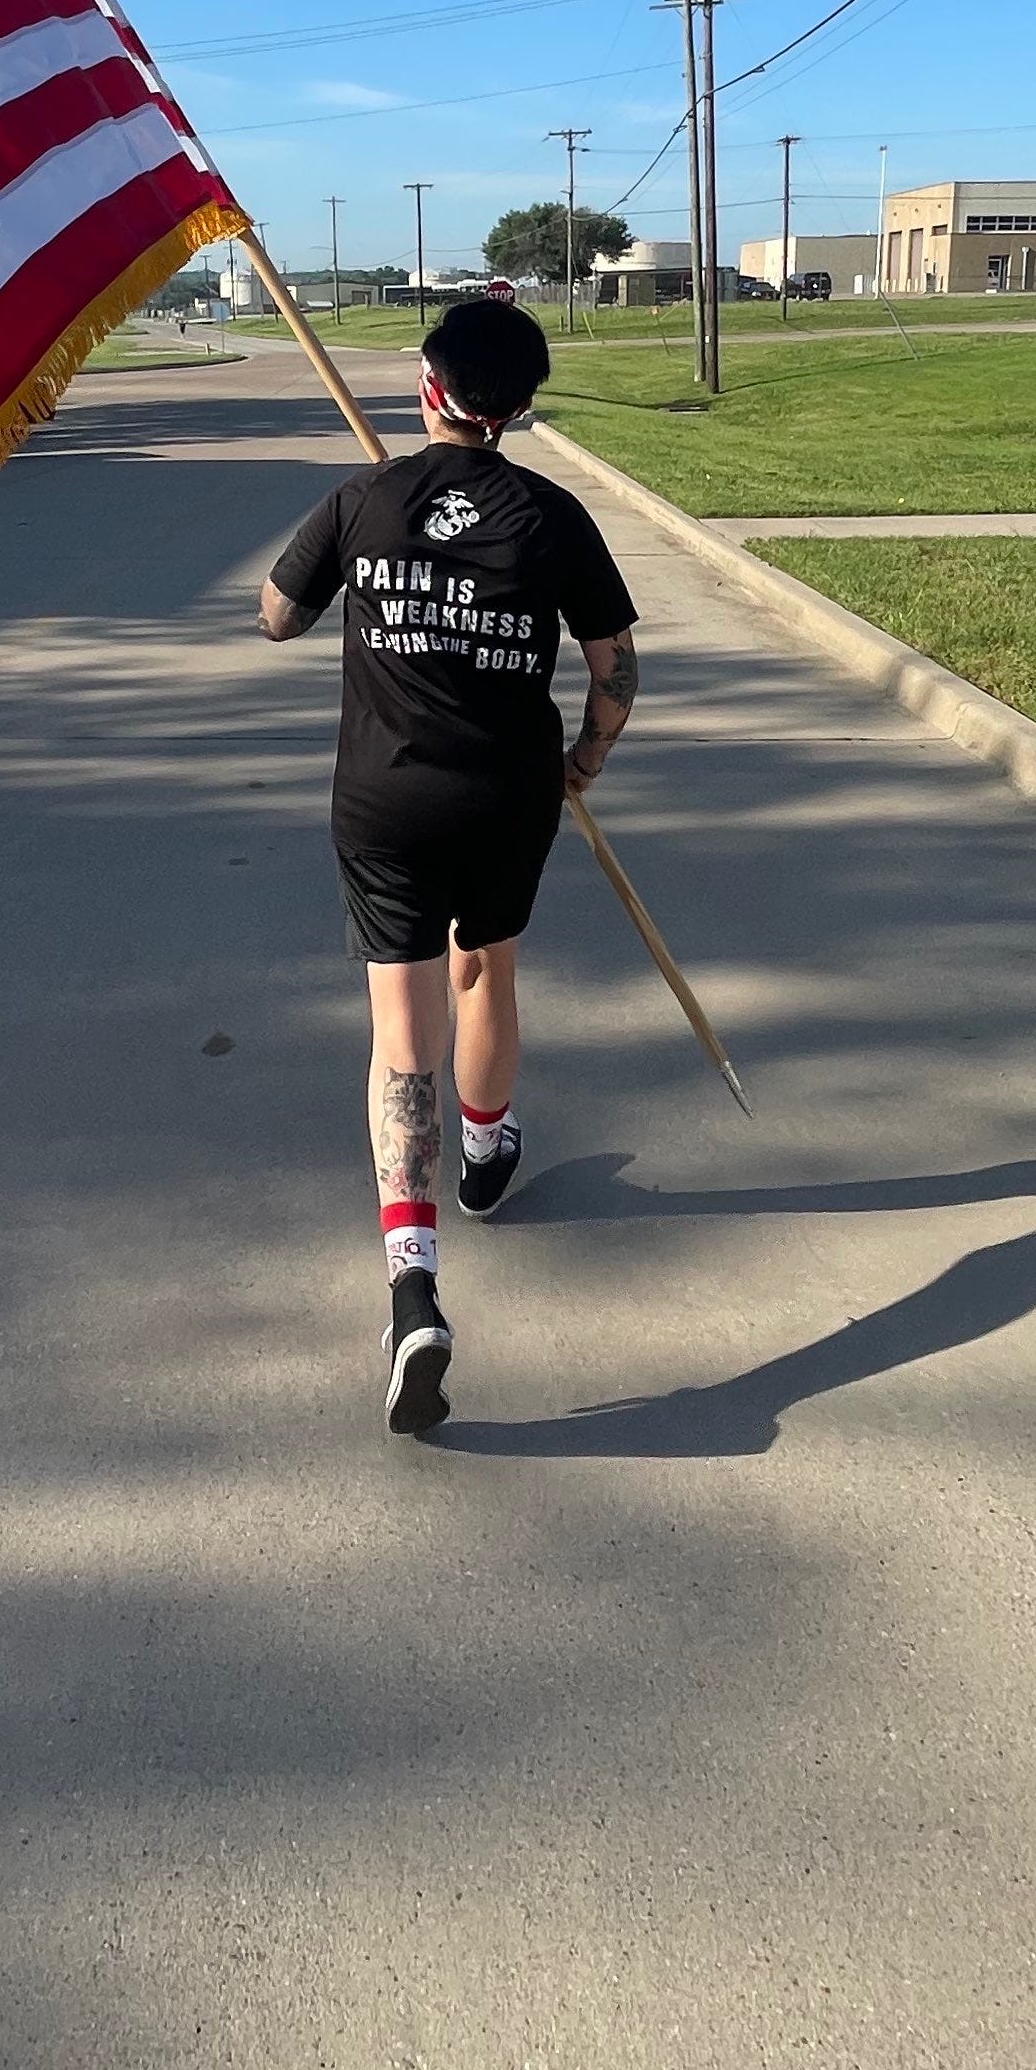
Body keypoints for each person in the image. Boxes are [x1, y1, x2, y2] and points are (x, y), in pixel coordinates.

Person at [258, 295, 640, 1436]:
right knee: (486, 972)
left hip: (386, 801)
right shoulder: (553, 515)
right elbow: (615, 667)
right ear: (517, 409)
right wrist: (586, 758)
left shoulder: (364, 498)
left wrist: (361, 555)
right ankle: (484, 1149)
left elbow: (275, 617)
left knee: (401, 1029)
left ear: (429, 389)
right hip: (506, 798)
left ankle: (412, 1285)